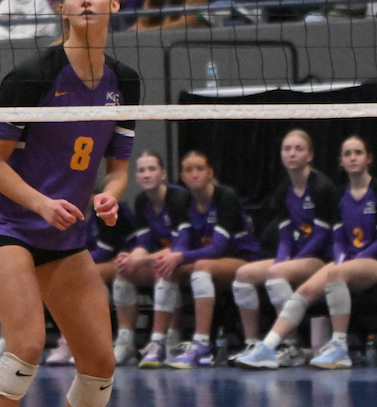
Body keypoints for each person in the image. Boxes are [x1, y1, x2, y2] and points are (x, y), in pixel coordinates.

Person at [0, 0, 141, 407]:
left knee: (100, 364)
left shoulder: (125, 82)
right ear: (62, 8)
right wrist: (43, 204)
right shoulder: (32, 76)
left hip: (66, 237)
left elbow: (119, 169)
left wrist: (111, 195)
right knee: (26, 348)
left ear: (114, 4)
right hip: (7, 228)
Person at [235, 135, 377, 370]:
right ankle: (267, 347)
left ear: (369, 158)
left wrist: (352, 261)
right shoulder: (341, 195)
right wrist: (342, 258)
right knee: (304, 291)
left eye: (358, 153)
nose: (353, 158)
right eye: (347, 154)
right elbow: (337, 237)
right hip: (347, 262)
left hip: (374, 261)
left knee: (335, 273)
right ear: (340, 162)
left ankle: (339, 347)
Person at [230, 130, 336, 367]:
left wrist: (286, 265)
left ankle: (292, 347)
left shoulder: (321, 187)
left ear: (310, 155)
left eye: (298, 149)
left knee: (277, 274)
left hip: (320, 258)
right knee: (243, 275)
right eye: (287, 149)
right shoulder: (283, 191)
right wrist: (281, 260)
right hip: (296, 255)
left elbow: (321, 236)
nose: (292, 153)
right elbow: (285, 236)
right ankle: (251, 342)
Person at [151, 151, 262, 369]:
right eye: (188, 170)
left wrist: (180, 256)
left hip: (242, 260)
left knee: (199, 267)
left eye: (200, 169)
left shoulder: (225, 197)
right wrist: (175, 256)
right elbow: (182, 241)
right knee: (167, 268)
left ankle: (201, 345)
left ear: (210, 172)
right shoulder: (181, 201)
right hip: (210, 262)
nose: (195, 174)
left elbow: (218, 248)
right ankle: (157, 343)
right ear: (181, 176)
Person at [112, 151, 192, 367]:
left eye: (152, 169)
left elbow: (180, 246)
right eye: (141, 170)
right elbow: (144, 243)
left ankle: (169, 338)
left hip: (189, 257)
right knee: (123, 269)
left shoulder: (178, 198)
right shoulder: (141, 201)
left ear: (163, 174)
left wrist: (139, 260)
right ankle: (126, 341)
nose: (146, 175)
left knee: (164, 266)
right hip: (162, 259)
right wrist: (130, 258)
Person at [43, 201, 136, 367]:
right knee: (62, 276)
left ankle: (105, 341)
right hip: (90, 263)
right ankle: (70, 341)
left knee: (86, 274)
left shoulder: (104, 206)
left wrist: (71, 263)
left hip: (123, 258)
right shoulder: (64, 208)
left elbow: (105, 251)